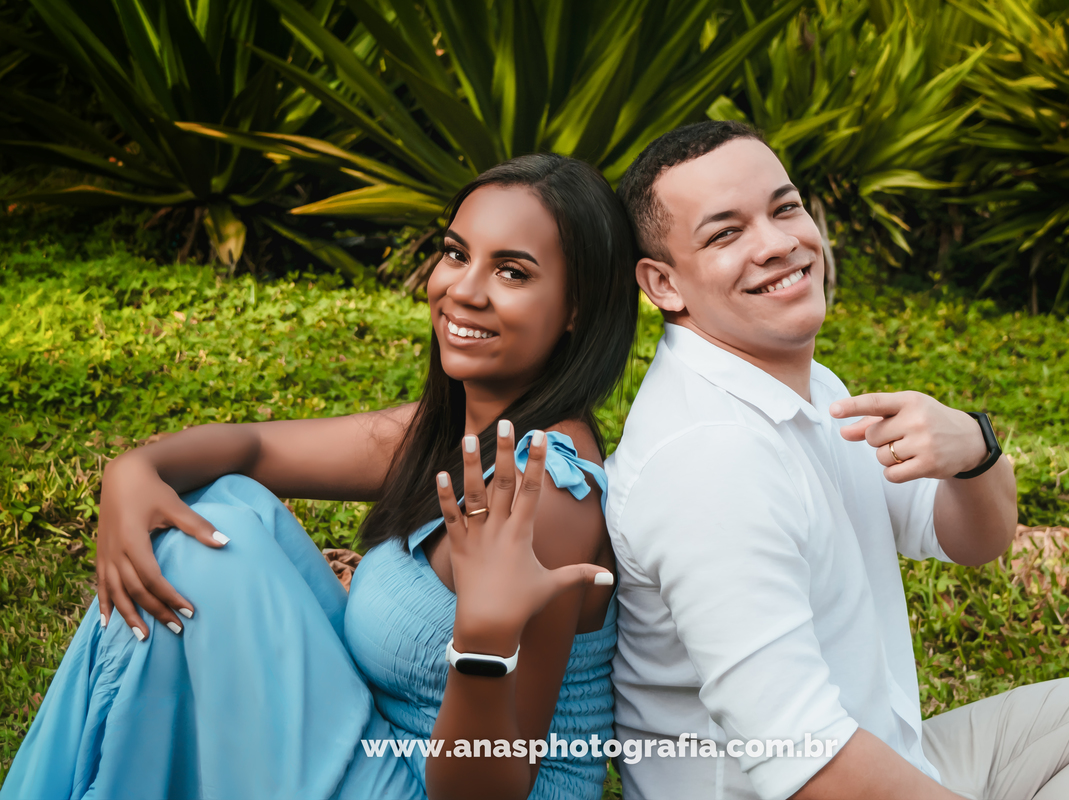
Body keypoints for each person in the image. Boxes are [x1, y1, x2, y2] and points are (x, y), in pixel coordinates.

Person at [1, 153, 640, 800]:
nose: (464, 290)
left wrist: (483, 639)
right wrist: (131, 470)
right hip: (379, 745)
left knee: (210, 547)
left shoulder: (544, 493)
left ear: (576, 309)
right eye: (455, 254)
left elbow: (484, 790)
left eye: (511, 271)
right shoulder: (454, 430)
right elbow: (249, 450)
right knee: (223, 503)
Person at [604, 121, 1069, 800]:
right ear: (663, 283)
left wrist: (975, 450)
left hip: (883, 755)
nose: (779, 243)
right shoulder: (708, 463)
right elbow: (805, 764)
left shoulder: (812, 389)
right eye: (726, 233)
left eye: (784, 208)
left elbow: (975, 540)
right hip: (803, 784)